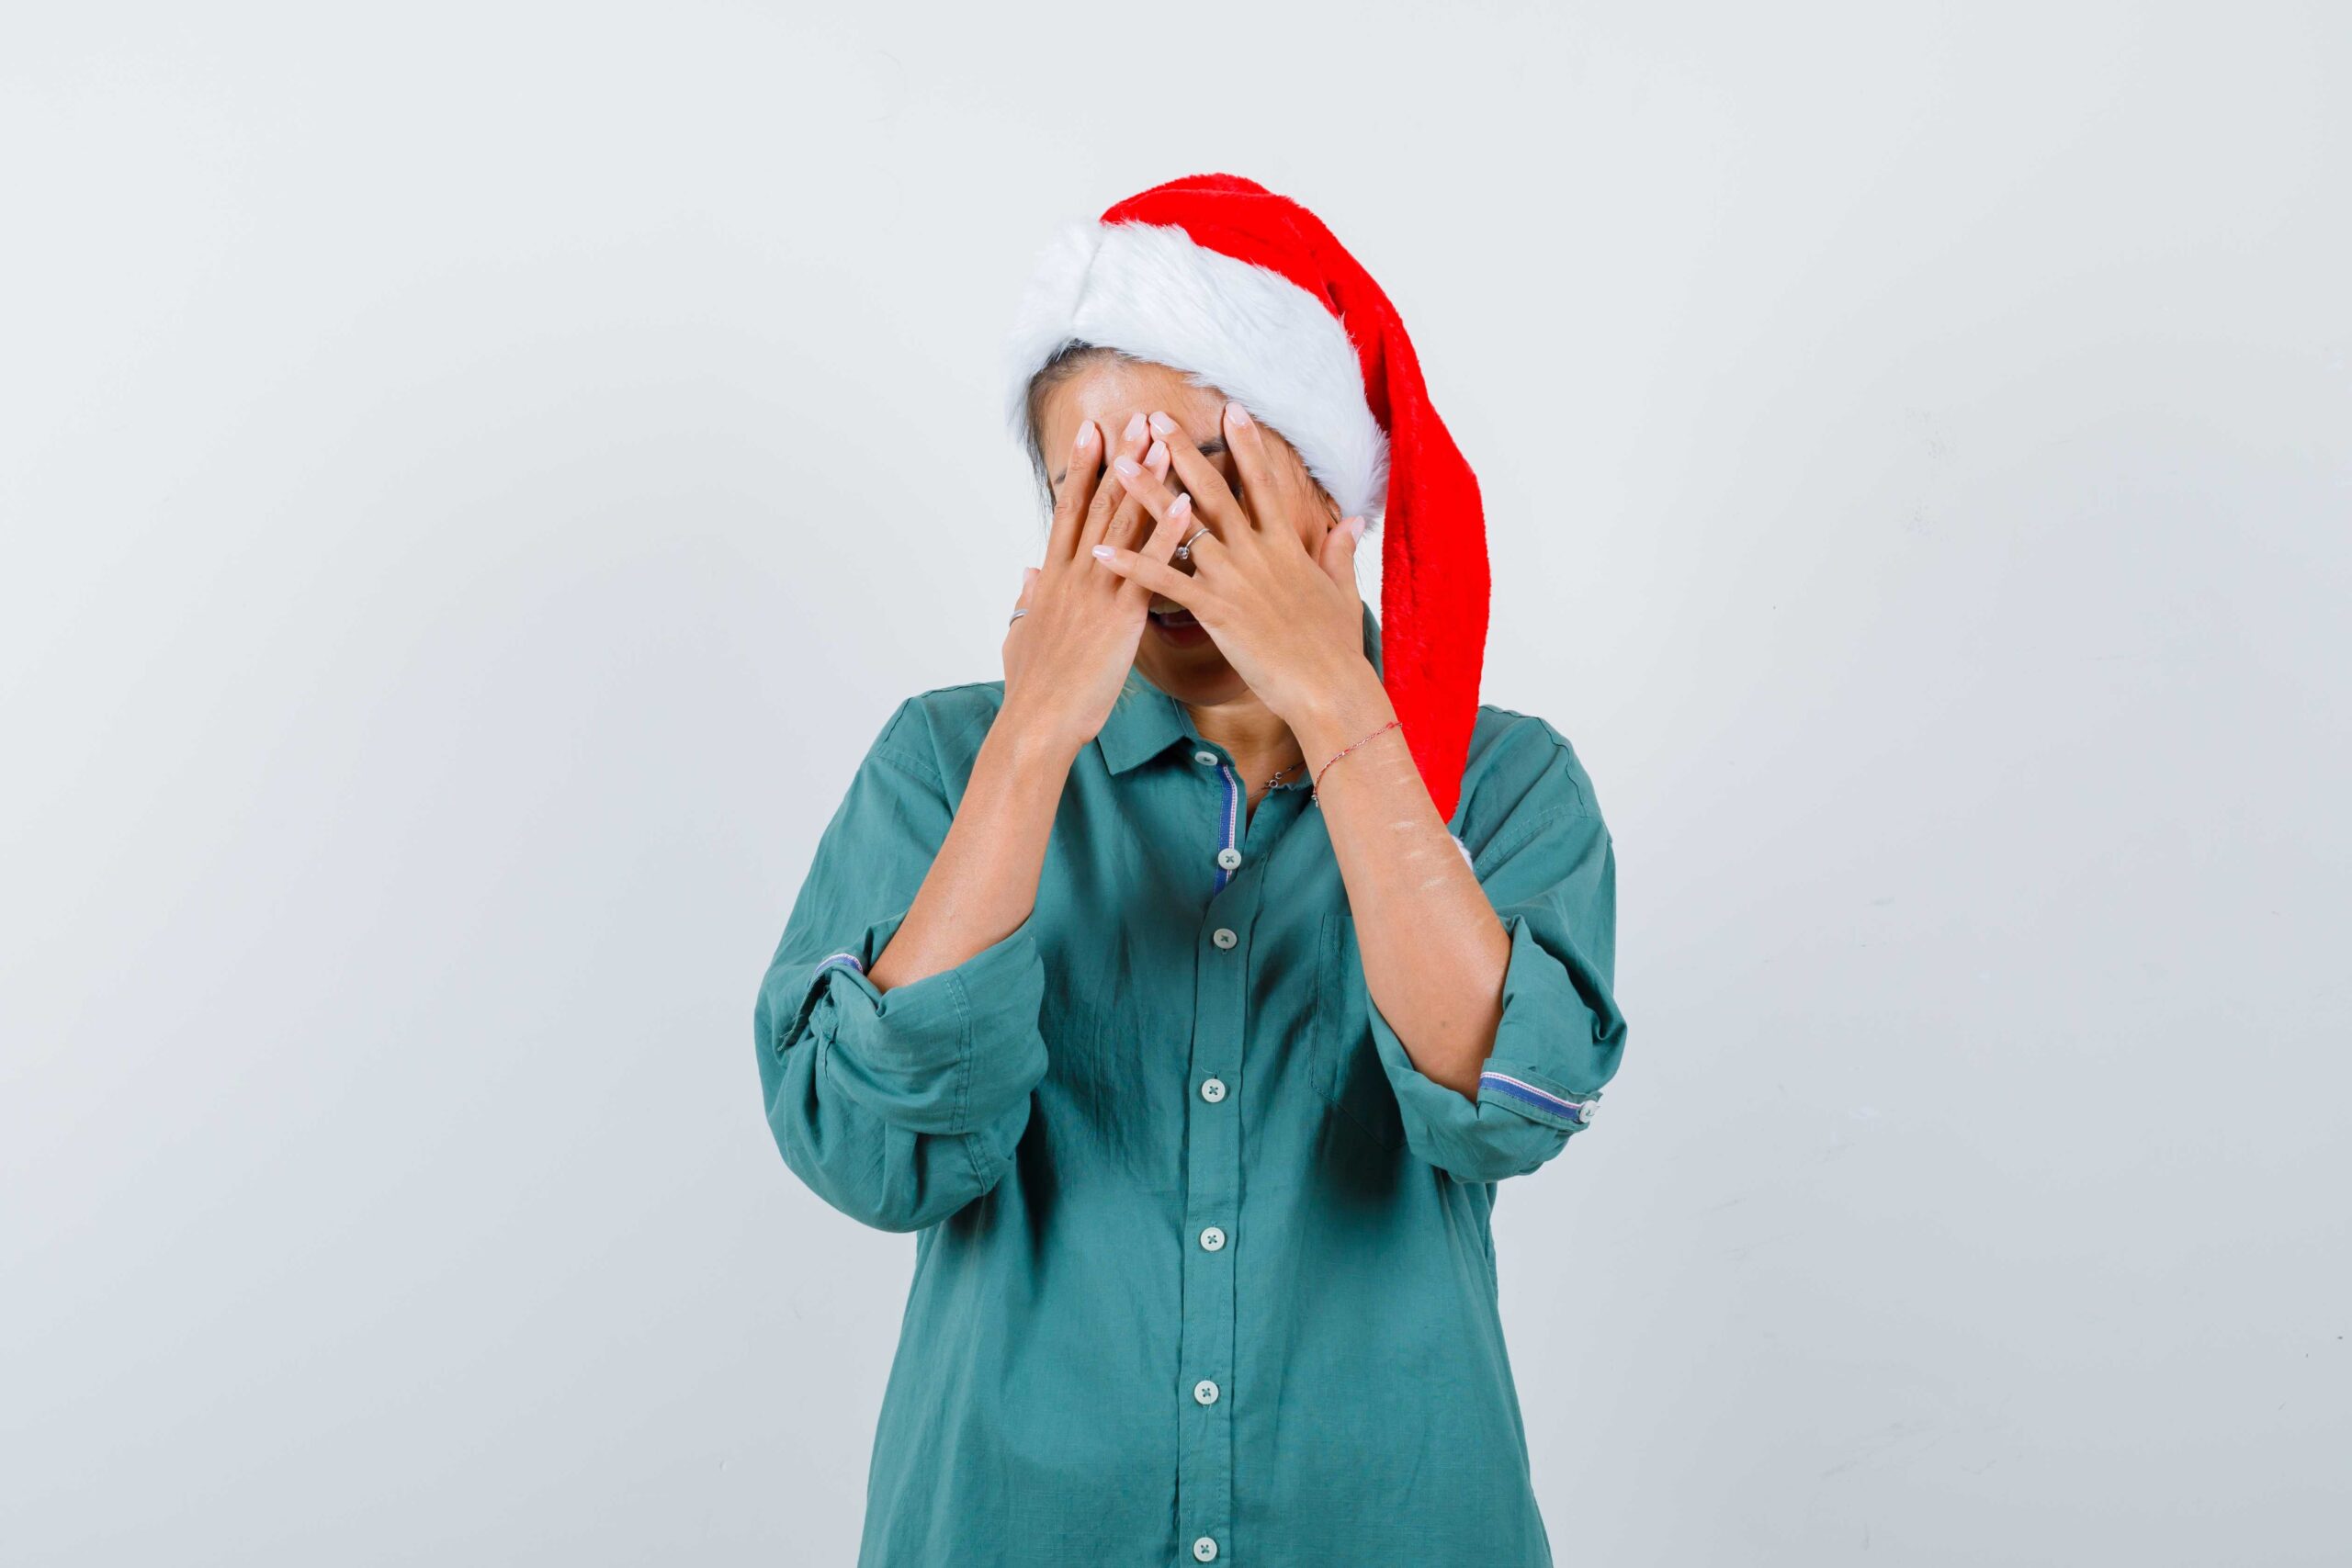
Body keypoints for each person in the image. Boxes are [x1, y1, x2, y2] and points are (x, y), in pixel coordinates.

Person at [752, 174, 1629, 1568]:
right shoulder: (941, 763)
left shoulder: (1507, 786)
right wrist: (1035, 733)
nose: (1149, 535)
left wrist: (1339, 705)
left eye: (1193, 470)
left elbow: (1505, 1105)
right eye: (1087, 485)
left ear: (1323, 482)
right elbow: (866, 1148)